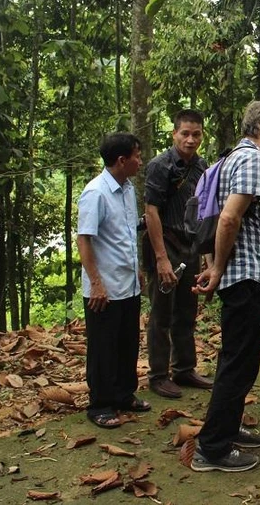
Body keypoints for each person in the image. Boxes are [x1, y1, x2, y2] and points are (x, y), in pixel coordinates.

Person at [189, 101, 260, 473]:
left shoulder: (231, 157)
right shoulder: (253, 159)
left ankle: (227, 429)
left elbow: (217, 215)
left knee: (238, 360)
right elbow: (229, 218)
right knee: (238, 363)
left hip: (239, 273)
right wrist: (216, 270)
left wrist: (215, 264)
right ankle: (212, 448)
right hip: (244, 275)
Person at [77, 132, 150, 429]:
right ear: (122, 160)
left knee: (126, 343)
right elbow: (85, 239)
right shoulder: (95, 193)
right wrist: (95, 282)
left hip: (127, 283)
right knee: (103, 347)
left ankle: (123, 394)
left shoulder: (128, 188)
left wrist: (138, 269)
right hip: (104, 288)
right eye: (137, 155)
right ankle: (101, 404)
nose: (140, 161)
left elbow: (127, 233)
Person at [143, 109, 213, 399]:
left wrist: (208, 257)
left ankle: (184, 368)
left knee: (187, 309)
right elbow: (151, 212)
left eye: (196, 134)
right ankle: (158, 375)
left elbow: (208, 209)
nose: (190, 139)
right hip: (165, 242)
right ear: (174, 134)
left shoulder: (202, 167)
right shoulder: (160, 165)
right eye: (185, 133)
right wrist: (160, 258)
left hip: (191, 244)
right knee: (162, 311)